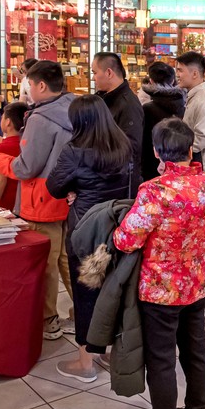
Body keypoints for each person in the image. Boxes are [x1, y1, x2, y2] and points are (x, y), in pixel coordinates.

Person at [113, 118, 205, 409]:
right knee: (195, 350)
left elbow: (126, 239)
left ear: (157, 151)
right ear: (191, 149)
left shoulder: (155, 191)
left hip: (160, 289)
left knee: (161, 360)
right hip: (197, 280)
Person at [0, 61, 75, 339]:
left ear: (41, 86)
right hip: (68, 195)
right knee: (67, 260)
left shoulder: (39, 119)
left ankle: (49, 321)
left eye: (29, 85)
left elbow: (26, 167)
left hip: (41, 200)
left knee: (46, 264)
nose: (28, 91)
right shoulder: (74, 107)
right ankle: (87, 313)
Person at [47, 95, 132, 383]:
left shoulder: (75, 150)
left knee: (86, 294)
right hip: (118, 228)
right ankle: (109, 351)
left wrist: (75, 190)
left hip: (85, 230)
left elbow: (55, 187)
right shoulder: (122, 145)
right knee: (112, 291)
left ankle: (85, 362)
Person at [92, 52, 144, 196]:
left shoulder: (128, 105)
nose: (93, 78)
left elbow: (130, 148)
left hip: (118, 184)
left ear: (109, 72)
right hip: (104, 177)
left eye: (95, 72)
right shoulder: (104, 98)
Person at [142, 61, 186, 181]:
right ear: (172, 81)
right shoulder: (183, 104)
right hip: (179, 163)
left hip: (152, 165)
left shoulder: (147, 108)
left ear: (151, 81)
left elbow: (144, 142)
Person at [0, 102, 26, 211]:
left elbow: (1, 182)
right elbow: (4, 141)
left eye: (2, 117)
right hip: (24, 201)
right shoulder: (26, 143)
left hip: (7, 203)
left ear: (8, 122)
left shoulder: (2, 149)